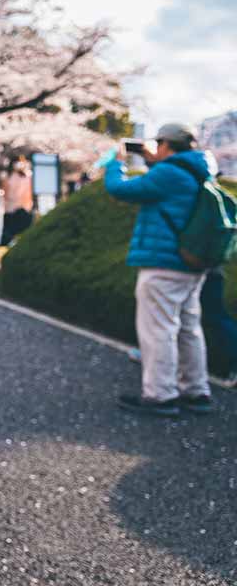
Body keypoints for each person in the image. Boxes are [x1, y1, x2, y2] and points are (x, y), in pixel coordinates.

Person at [104, 123, 216, 417]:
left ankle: (160, 395)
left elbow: (120, 189)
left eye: (158, 143)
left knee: (159, 330)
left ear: (166, 144)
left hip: (163, 264)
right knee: (189, 329)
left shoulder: (168, 173)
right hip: (191, 264)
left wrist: (116, 164)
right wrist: (152, 160)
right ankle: (196, 391)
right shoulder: (198, 170)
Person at [1, 156, 34, 244]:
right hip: (12, 210)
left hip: (22, 209)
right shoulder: (9, 177)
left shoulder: (28, 177)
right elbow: (6, 194)